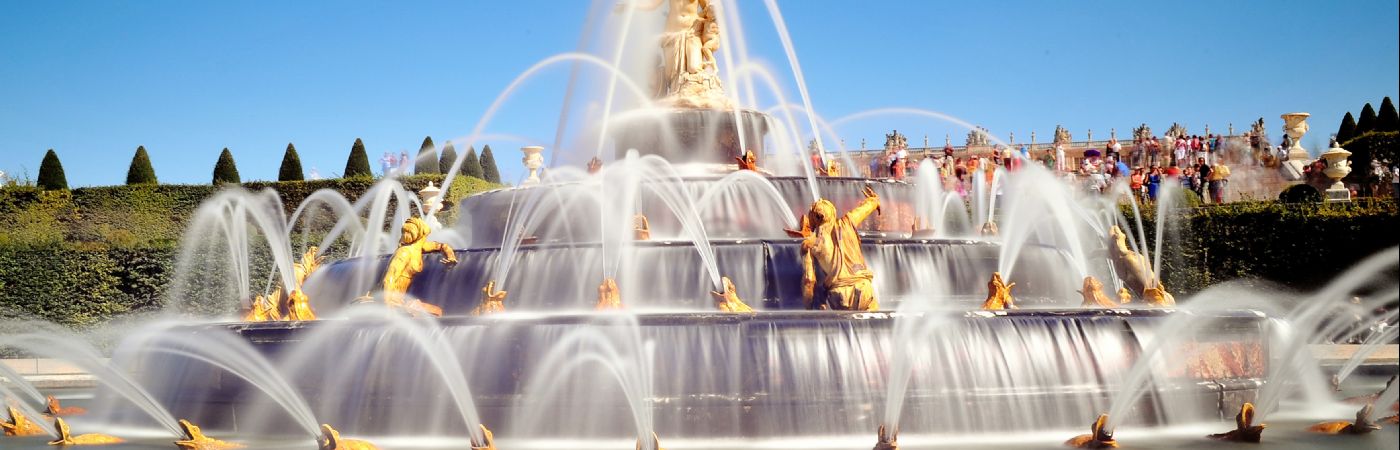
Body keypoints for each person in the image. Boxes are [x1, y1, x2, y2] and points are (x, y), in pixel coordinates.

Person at [795, 187, 882, 311]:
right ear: (833, 212)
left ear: (813, 219)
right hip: (864, 288)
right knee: (874, 327)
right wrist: (874, 200)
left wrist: (808, 310)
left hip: (839, 294)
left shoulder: (810, 243)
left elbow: (809, 280)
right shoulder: (847, 222)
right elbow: (866, 207)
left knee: (844, 329)